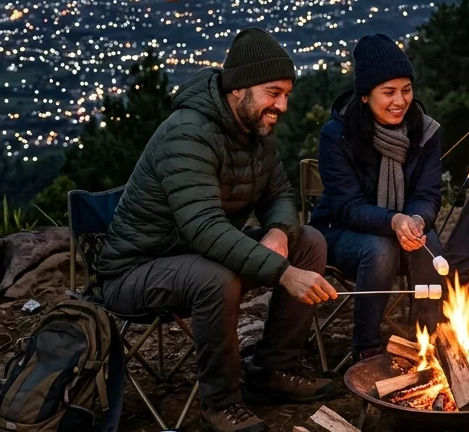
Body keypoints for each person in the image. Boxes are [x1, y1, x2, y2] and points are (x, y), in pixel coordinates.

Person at [99, 28, 338, 432]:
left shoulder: (256, 130)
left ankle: (271, 371)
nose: (282, 105)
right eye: (272, 92)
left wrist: (279, 230)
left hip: (197, 257)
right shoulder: (188, 133)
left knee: (309, 241)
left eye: (286, 94)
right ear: (238, 88)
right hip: (137, 270)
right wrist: (282, 273)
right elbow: (204, 228)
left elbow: (279, 191)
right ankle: (221, 404)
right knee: (215, 277)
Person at [311, 32, 445, 362]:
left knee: (429, 244)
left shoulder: (424, 132)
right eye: (388, 92)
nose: (400, 100)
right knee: (381, 247)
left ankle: (431, 341)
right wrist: (392, 220)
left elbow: (428, 194)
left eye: (406, 90)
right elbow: (347, 207)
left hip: (402, 226)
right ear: (364, 97)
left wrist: (415, 219)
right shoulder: (337, 136)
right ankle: (366, 348)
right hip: (341, 232)